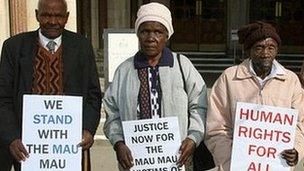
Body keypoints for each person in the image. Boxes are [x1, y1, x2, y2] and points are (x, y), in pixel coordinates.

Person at [103, 2, 209, 170]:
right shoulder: (124, 70)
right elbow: (112, 112)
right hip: (136, 161)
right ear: (138, 34)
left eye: (158, 32)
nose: (151, 38)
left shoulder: (182, 65)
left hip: (176, 159)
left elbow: (199, 105)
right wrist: (118, 143)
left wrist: (193, 138)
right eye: (145, 31)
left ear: (167, 36)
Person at [0, 0, 102, 170]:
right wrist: (12, 138)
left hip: (68, 149)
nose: (53, 21)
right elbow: (3, 98)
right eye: (46, 15)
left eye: (58, 16)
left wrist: (88, 129)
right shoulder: (14, 47)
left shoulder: (81, 47)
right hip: (26, 149)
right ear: (36, 15)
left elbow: (93, 95)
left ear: (67, 17)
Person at [204, 21, 304, 171]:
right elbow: (216, 127)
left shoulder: (290, 81)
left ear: (277, 50)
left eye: (271, 48)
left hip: (276, 165)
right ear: (248, 50)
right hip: (235, 165)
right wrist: (229, 160)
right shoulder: (229, 78)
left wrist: (296, 149)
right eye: (259, 48)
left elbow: (300, 124)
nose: (265, 54)